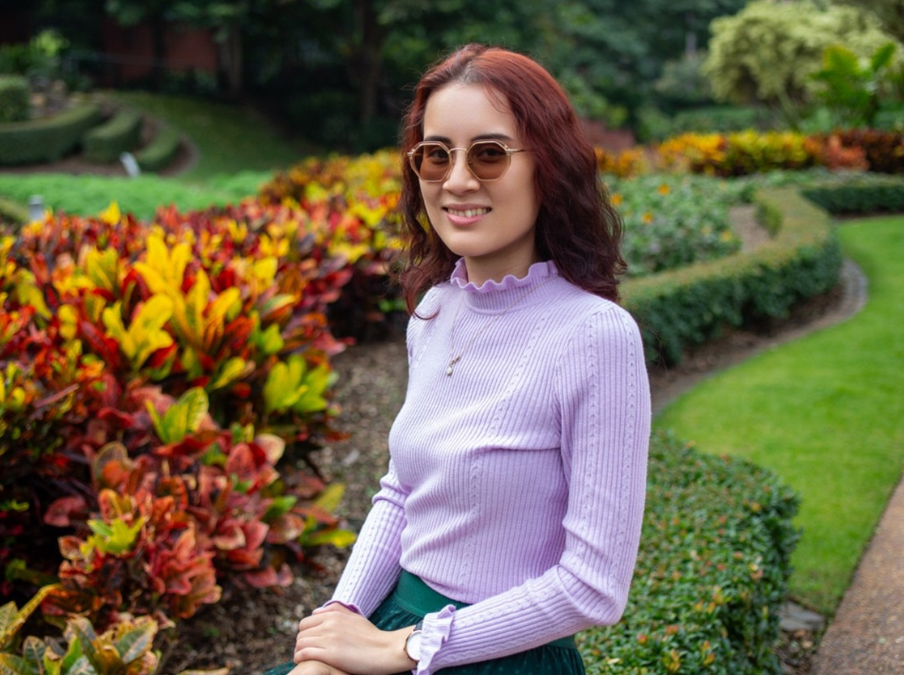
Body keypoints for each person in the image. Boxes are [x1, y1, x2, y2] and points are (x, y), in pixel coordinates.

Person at [266, 43, 651, 675]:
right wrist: (340, 624)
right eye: (436, 154)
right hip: (392, 624)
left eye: (490, 154)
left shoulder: (594, 337)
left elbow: (593, 585)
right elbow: (401, 492)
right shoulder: (435, 312)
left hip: (499, 655)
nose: (458, 179)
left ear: (547, 167)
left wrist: (408, 647)